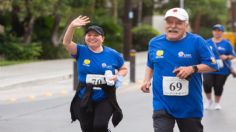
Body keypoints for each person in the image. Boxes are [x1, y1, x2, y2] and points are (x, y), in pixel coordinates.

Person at [140, 8, 219, 132]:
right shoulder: (154, 43)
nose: (173, 26)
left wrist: (192, 68)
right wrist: (146, 80)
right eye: (169, 22)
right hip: (162, 103)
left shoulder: (197, 42)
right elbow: (151, 63)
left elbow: (213, 65)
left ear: (186, 25)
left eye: (178, 23)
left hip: (189, 106)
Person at [63, 15, 128, 132]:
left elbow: (123, 68)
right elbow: (67, 43)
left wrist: (118, 76)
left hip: (105, 95)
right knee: (87, 128)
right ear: (85, 37)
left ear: (102, 38)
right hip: (85, 95)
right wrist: (72, 26)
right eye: (89, 35)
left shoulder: (113, 54)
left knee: (100, 126)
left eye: (96, 35)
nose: (92, 37)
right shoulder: (81, 51)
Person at [203, 24, 236, 110]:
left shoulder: (227, 43)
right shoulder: (207, 42)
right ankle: (209, 100)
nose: (217, 32)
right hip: (208, 68)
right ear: (212, 31)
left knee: (218, 85)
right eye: (215, 30)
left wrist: (227, 57)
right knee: (206, 83)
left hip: (222, 69)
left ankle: (217, 103)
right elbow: (202, 53)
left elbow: (233, 55)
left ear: (222, 32)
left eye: (219, 30)